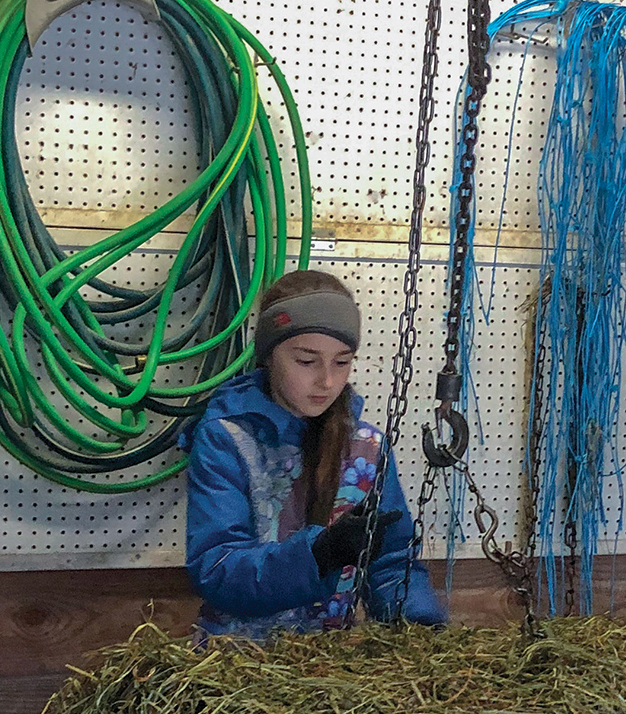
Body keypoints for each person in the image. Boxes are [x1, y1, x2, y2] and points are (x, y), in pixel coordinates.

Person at [181, 269, 447, 640]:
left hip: (330, 668)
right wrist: (317, 556)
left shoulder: (366, 449)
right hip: (237, 664)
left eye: (342, 362)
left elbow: (391, 560)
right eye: (306, 361)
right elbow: (217, 567)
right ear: (270, 355)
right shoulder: (227, 439)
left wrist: (420, 628)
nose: (326, 381)